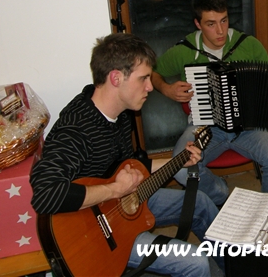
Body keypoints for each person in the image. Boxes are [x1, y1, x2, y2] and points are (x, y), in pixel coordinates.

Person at [30, 33, 220, 277]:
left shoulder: (121, 112)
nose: (151, 87)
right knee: (195, 262)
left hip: (125, 202)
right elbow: (45, 195)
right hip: (96, 236)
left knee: (201, 203)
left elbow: (130, 167)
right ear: (116, 78)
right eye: (143, 79)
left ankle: (234, 268)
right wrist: (115, 190)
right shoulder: (76, 129)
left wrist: (179, 161)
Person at [151, 0, 268, 206]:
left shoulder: (247, 44)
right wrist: (166, 89)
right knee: (180, 167)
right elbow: (152, 72)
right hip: (206, 128)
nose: (220, 31)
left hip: (251, 128)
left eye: (224, 20)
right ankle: (221, 197)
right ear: (198, 24)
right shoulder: (185, 51)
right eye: (211, 24)